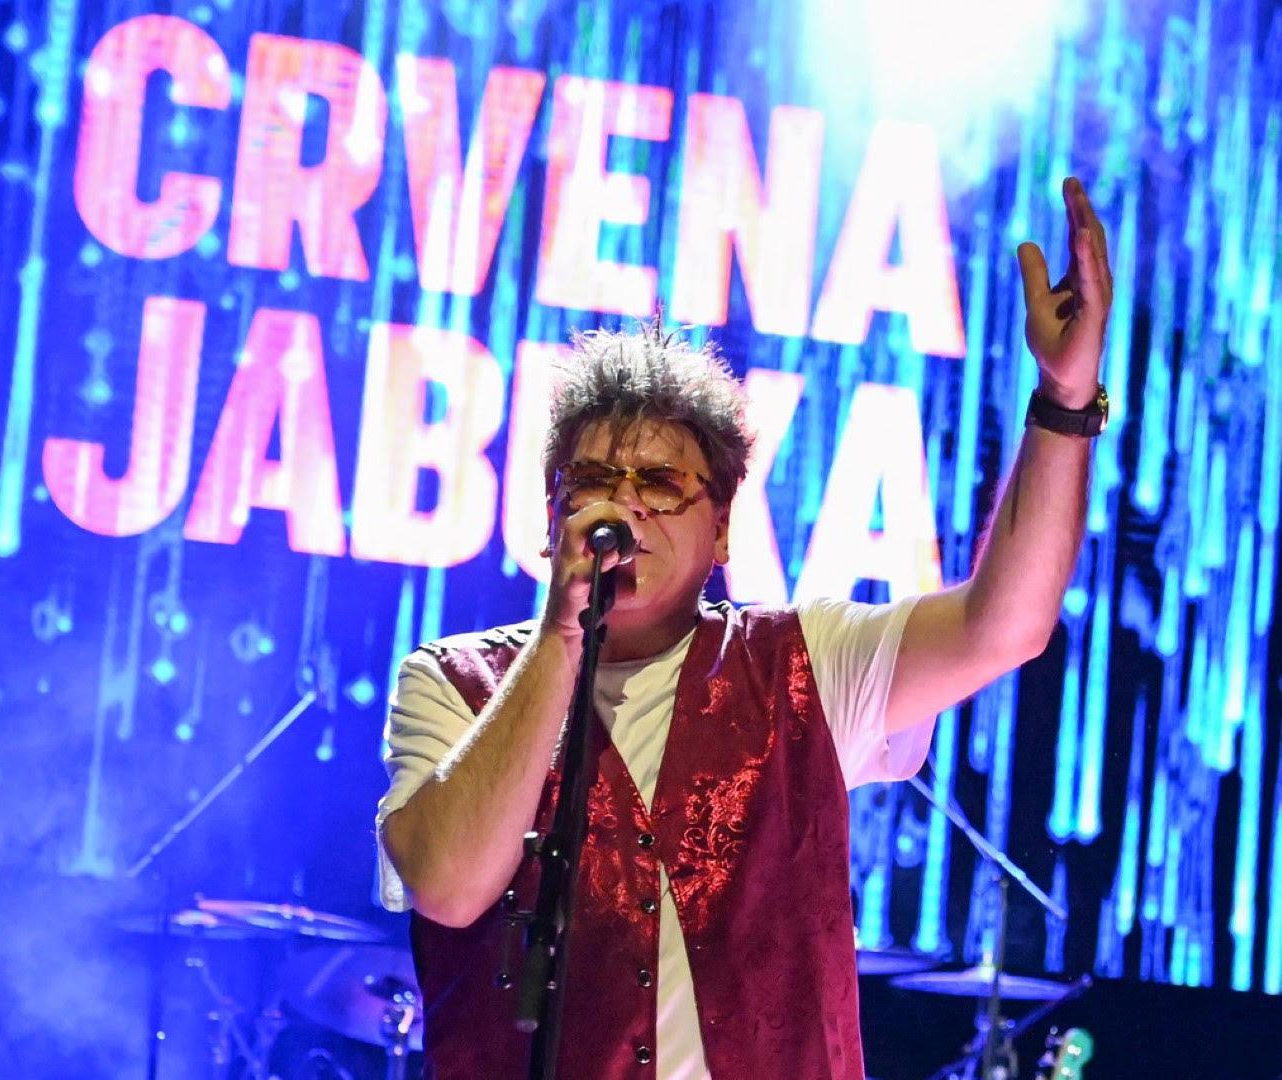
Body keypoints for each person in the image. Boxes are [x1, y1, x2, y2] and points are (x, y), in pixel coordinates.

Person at [375, 177, 1113, 1079]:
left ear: (721, 529)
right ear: (551, 512)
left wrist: (1064, 400)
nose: (625, 509)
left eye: (661, 485)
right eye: (595, 482)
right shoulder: (452, 685)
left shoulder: (802, 662)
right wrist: (562, 636)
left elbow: (1007, 626)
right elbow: (450, 887)